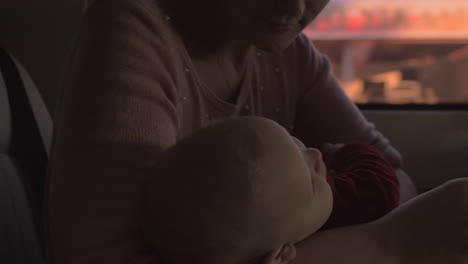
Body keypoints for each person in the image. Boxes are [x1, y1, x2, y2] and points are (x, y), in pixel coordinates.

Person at [47, 0, 416, 263]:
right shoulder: (132, 27)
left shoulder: (288, 52)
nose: (292, 9)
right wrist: (381, 244)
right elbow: (101, 253)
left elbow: (395, 173)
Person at [143, 117, 468, 264]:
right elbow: (378, 185)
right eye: (314, 182)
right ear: (279, 254)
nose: (314, 155)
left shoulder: (282, 219)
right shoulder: (328, 215)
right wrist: (347, 152)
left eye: (296, 142)